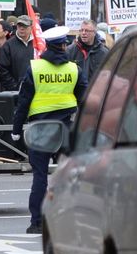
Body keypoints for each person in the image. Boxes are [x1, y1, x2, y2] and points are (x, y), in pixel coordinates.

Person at [10, 25, 87, 234]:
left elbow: (23, 102)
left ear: (47, 46)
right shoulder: (74, 69)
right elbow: (86, 101)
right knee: (68, 176)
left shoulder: (35, 68)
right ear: (63, 46)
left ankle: (37, 222)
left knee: (40, 176)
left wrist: (16, 129)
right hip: (66, 129)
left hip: (40, 129)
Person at [72, 19, 109, 91]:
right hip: (77, 95)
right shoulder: (71, 50)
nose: (83, 33)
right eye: (81, 30)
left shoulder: (104, 52)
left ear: (94, 33)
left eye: (87, 31)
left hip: (97, 94)